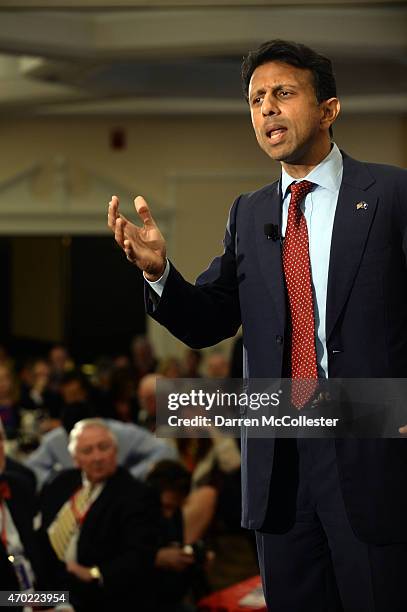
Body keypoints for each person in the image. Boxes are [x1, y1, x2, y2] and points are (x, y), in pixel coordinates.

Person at [108, 39, 407, 612]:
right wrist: (160, 273)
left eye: (283, 94)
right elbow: (206, 321)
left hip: (370, 455)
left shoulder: (392, 195)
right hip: (280, 462)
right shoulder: (249, 214)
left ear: (328, 109)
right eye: (256, 99)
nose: (267, 108)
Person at [39, 418, 160, 612]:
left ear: (115, 451)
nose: (97, 457)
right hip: (47, 587)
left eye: (103, 447)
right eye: (87, 451)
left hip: (91, 593)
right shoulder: (59, 483)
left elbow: (139, 556)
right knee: (7, 600)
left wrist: (94, 573)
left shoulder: (137, 495)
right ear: (75, 458)